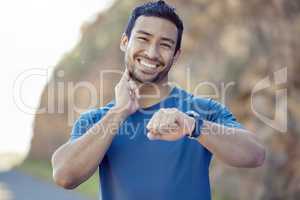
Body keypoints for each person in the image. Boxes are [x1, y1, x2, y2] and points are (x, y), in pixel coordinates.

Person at [51, 1, 265, 200]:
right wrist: (118, 113)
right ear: (125, 42)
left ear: (176, 55)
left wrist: (193, 125)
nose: (152, 53)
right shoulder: (96, 121)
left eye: (165, 44)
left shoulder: (201, 111)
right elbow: (64, 175)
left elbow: (255, 154)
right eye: (143, 38)